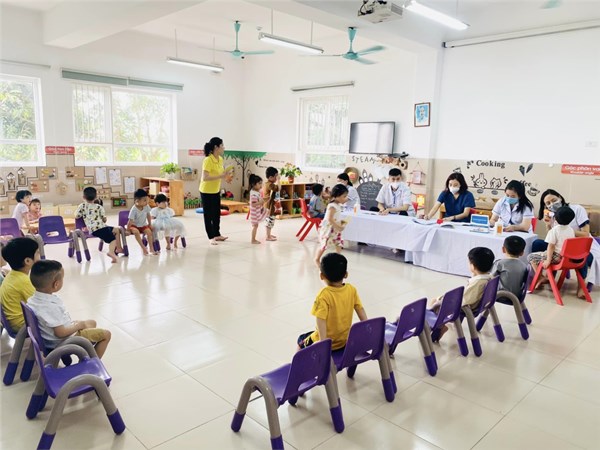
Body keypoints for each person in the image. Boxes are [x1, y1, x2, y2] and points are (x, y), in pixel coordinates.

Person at [27, 260, 111, 358]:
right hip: (63, 342)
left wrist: (75, 325)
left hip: (51, 339)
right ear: (56, 284)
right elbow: (60, 333)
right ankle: (92, 363)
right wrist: (78, 326)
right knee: (106, 335)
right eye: (63, 278)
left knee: (92, 323)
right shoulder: (50, 307)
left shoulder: (32, 300)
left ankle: (86, 352)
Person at [533, 188, 598, 298]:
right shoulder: (553, 215)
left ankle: (581, 287)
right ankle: (546, 276)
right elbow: (551, 238)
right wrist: (548, 225)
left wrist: (566, 231)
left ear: (560, 197)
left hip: (580, 248)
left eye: (554, 200)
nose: (552, 204)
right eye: (548, 203)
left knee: (581, 252)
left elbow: (585, 234)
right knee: (537, 243)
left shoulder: (577, 209)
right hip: (560, 248)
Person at [297, 253, 367, 351]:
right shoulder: (351, 289)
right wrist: (367, 327)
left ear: (321, 276)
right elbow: (360, 309)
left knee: (300, 342)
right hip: (344, 340)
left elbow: (320, 319)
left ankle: (297, 361)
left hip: (327, 343)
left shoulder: (323, 295)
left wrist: (323, 343)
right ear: (346, 274)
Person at [428, 247, 494, 341]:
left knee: (435, 301)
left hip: (467, 307)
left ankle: (438, 327)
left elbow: (465, 300)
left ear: (473, 266)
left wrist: (444, 299)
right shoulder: (489, 277)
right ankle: (440, 323)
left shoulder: (478, 283)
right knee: (440, 299)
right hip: (477, 304)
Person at [527, 206, 576, 289]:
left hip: (556, 257)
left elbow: (551, 246)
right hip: (566, 258)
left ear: (555, 218)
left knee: (530, 257)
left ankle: (541, 277)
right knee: (541, 255)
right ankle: (544, 277)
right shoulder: (570, 230)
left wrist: (548, 260)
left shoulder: (554, 230)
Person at [75, 187, 124, 263]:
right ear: (96, 197)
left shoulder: (82, 206)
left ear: (83, 197)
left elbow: (77, 216)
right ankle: (111, 252)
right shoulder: (99, 207)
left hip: (94, 229)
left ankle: (119, 248)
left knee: (116, 229)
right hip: (100, 228)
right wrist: (103, 219)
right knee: (112, 240)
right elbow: (104, 219)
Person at [0, 237, 39, 331]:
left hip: (13, 322)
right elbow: (40, 304)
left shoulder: (12, 275)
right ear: (27, 261)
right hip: (22, 325)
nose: (40, 255)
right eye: (37, 253)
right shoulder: (24, 281)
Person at [199, 137, 232, 245]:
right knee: (208, 215)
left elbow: (221, 174)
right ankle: (211, 237)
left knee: (216, 214)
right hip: (206, 191)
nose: (224, 147)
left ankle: (217, 234)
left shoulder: (220, 159)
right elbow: (205, 177)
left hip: (215, 190)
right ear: (216, 147)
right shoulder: (208, 160)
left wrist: (226, 178)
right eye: (222, 145)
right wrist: (221, 176)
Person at [315, 184, 349, 266]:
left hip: (334, 228)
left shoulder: (338, 205)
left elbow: (336, 217)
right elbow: (329, 219)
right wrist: (339, 227)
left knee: (338, 243)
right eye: (344, 196)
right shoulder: (332, 206)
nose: (346, 198)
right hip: (329, 228)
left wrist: (341, 224)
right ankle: (317, 259)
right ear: (337, 196)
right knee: (324, 244)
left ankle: (338, 258)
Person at [493, 235, 529, 304]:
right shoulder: (524, 266)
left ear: (503, 249)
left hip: (501, 296)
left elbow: (490, 279)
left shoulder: (499, 263)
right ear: (522, 253)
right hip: (517, 296)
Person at [128, 189, 156, 255]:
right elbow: (130, 221)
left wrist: (150, 224)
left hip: (143, 225)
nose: (147, 202)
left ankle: (151, 248)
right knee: (136, 232)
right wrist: (127, 230)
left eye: (147, 200)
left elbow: (148, 215)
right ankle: (143, 248)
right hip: (134, 226)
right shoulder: (134, 209)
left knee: (149, 232)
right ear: (137, 201)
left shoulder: (146, 206)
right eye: (145, 200)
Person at [248, 174, 268, 244]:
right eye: (259, 183)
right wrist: (261, 202)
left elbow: (259, 200)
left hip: (257, 211)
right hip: (255, 214)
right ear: (253, 184)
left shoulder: (256, 192)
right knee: (255, 226)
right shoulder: (253, 194)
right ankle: (253, 240)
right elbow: (253, 204)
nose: (261, 185)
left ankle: (254, 239)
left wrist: (263, 200)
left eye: (261, 183)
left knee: (256, 226)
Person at [262, 166, 280, 242]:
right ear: (270, 177)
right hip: (269, 206)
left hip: (269, 205)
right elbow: (278, 188)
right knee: (269, 221)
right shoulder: (270, 185)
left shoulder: (268, 183)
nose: (277, 178)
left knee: (270, 221)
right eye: (276, 176)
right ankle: (268, 236)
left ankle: (269, 234)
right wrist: (279, 180)